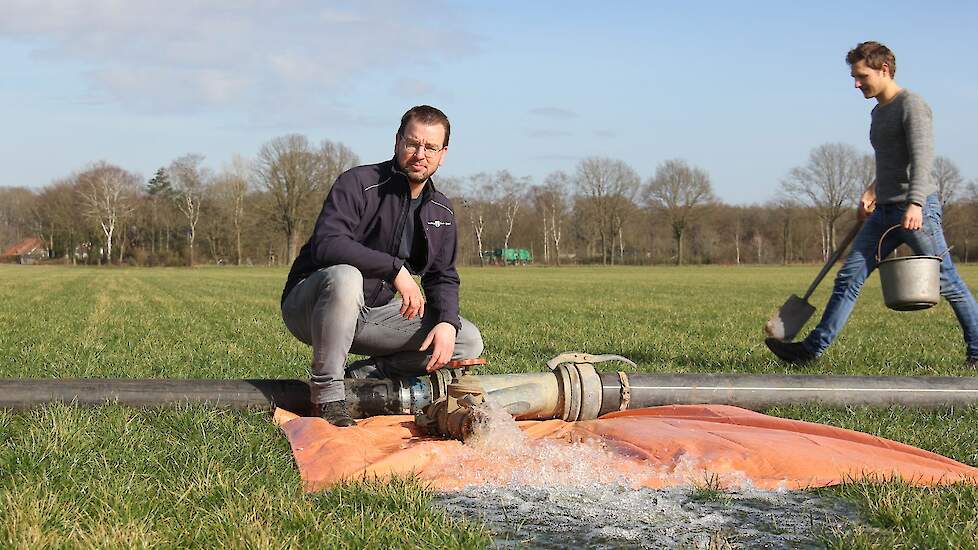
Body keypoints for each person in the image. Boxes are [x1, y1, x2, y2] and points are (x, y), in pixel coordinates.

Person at [766, 41, 978, 366]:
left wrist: (916, 204)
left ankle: (977, 350)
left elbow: (921, 160)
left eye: (861, 76)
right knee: (848, 278)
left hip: (916, 211)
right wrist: (871, 189)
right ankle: (810, 350)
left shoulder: (912, 105)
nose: (856, 83)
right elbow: (891, 162)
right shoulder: (878, 111)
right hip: (883, 213)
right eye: (854, 77)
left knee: (946, 280)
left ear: (884, 69)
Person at [281, 105, 484, 426]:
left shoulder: (441, 211)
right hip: (312, 306)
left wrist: (446, 320)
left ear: (443, 154)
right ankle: (328, 396)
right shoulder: (359, 183)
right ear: (397, 141)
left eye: (430, 147)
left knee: (466, 338)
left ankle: (368, 373)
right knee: (347, 276)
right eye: (412, 143)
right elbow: (327, 243)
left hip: (373, 313)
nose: (420, 154)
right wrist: (393, 270)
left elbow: (442, 275)